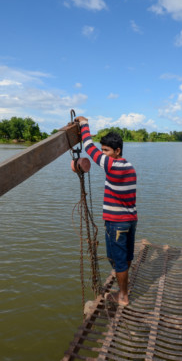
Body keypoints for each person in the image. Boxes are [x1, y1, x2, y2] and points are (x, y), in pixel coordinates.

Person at [75, 116, 137, 307]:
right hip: (130, 220)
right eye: (103, 150)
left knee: (116, 259)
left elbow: (89, 147)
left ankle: (123, 297)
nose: (103, 154)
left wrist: (84, 125)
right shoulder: (129, 166)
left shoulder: (112, 165)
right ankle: (124, 288)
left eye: (107, 150)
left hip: (116, 222)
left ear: (117, 151)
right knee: (125, 257)